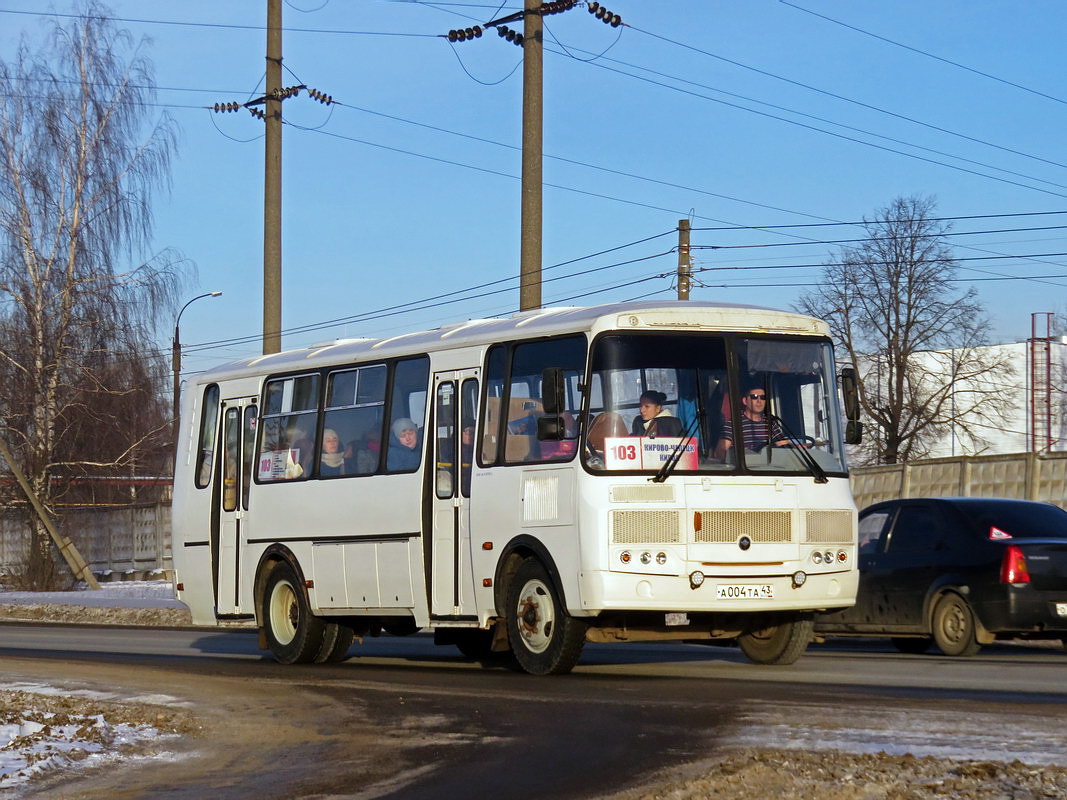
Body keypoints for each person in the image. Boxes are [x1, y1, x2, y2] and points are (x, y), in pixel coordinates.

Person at [717, 384, 788, 456]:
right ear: (745, 401)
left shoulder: (771, 422)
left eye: (763, 397)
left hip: (767, 466)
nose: (759, 401)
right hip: (744, 466)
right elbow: (721, 451)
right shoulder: (734, 423)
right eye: (754, 397)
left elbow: (785, 448)